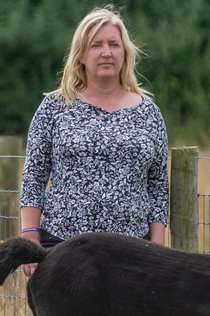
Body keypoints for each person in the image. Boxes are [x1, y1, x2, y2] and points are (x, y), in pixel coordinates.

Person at [18, 6, 169, 277]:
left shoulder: (148, 112)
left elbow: (158, 186)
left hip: (132, 251)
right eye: (96, 45)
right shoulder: (55, 107)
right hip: (63, 247)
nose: (106, 52)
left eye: (114, 44)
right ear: (81, 56)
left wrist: (157, 248)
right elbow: (34, 175)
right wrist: (30, 235)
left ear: (125, 53)